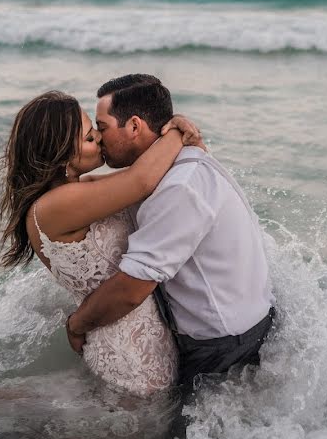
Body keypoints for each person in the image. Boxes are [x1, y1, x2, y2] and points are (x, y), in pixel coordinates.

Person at [66, 74, 276, 389]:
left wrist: (77, 324)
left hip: (222, 344)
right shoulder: (170, 164)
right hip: (238, 324)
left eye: (103, 126)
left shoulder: (180, 186)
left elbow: (131, 289)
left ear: (134, 126)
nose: (97, 136)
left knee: (177, 436)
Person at [0, 89, 204, 397]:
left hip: (134, 338)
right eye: (91, 139)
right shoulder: (54, 207)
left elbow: (142, 181)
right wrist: (177, 130)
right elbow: (140, 180)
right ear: (62, 155)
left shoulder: (79, 191)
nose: (100, 143)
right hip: (130, 360)